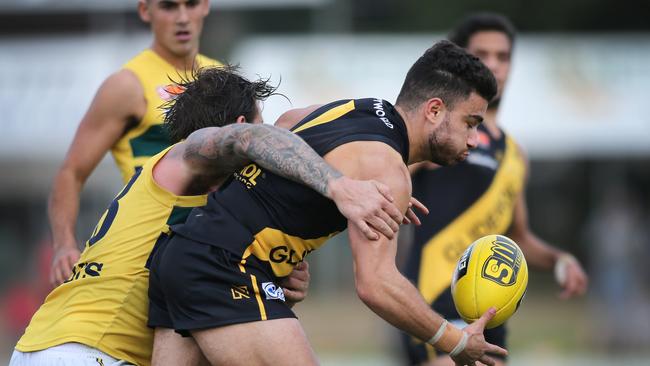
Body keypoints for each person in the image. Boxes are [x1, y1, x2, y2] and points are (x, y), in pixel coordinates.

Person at [11, 67, 407, 366]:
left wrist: (271, 271)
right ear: (238, 128)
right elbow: (250, 140)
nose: (271, 138)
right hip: (91, 350)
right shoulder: (188, 157)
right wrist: (340, 186)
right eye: (262, 123)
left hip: (46, 345)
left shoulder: (216, 211)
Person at [148, 40, 508, 366]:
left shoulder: (357, 109)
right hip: (224, 266)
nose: (475, 139)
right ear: (433, 110)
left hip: (182, 252)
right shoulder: (388, 171)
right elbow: (376, 285)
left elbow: (284, 128)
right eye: (470, 123)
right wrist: (456, 341)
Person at [400, 13, 589, 366]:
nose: (493, 65)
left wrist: (559, 259)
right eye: (481, 55)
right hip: (433, 302)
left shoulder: (516, 156)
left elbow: (518, 235)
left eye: (502, 57)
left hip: (491, 312)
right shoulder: (439, 132)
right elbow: (387, 179)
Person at [49, 0, 220, 287]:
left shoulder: (222, 79)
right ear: (145, 10)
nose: (182, 18)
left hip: (218, 248)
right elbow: (71, 173)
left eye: (190, 4)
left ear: (205, 5)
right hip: (152, 253)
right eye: (168, 6)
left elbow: (251, 172)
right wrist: (64, 245)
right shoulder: (127, 85)